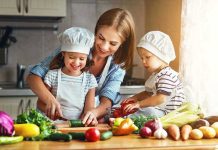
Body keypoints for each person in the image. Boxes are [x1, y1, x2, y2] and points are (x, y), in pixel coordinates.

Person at [26, 8, 136, 126]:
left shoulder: (117, 67)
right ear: (96, 30)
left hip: (79, 123)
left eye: (113, 43)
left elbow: (107, 101)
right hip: (50, 122)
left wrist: (93, 113)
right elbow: (33, 77)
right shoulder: (74, 46)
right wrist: (49, 100)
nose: (104, 47)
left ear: (122, 43)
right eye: (101, 38)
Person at [38, 27, 98, 121]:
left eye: (82, 59)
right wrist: (51, 111)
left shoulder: (90, 80)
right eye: (71, 57)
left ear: (87, 58)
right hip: (54, 125)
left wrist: (86, 120)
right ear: (63, 54)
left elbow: (89, 110)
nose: (76, 62)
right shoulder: (52, 75)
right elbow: (40, 103)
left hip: (77, 127)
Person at [121, 31, 185, 118]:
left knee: (149, 111)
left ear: (161, 55)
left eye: (147, 57)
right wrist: (134, 98)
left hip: (169, 115)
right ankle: (121, 115)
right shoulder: (156, 75)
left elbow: (160, 99)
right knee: (143, 108)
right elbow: (148, 93)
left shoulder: (167, 76)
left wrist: (139, 104)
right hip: (160, 111)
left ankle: (124, 118)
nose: (143, 61)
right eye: (142, 58)